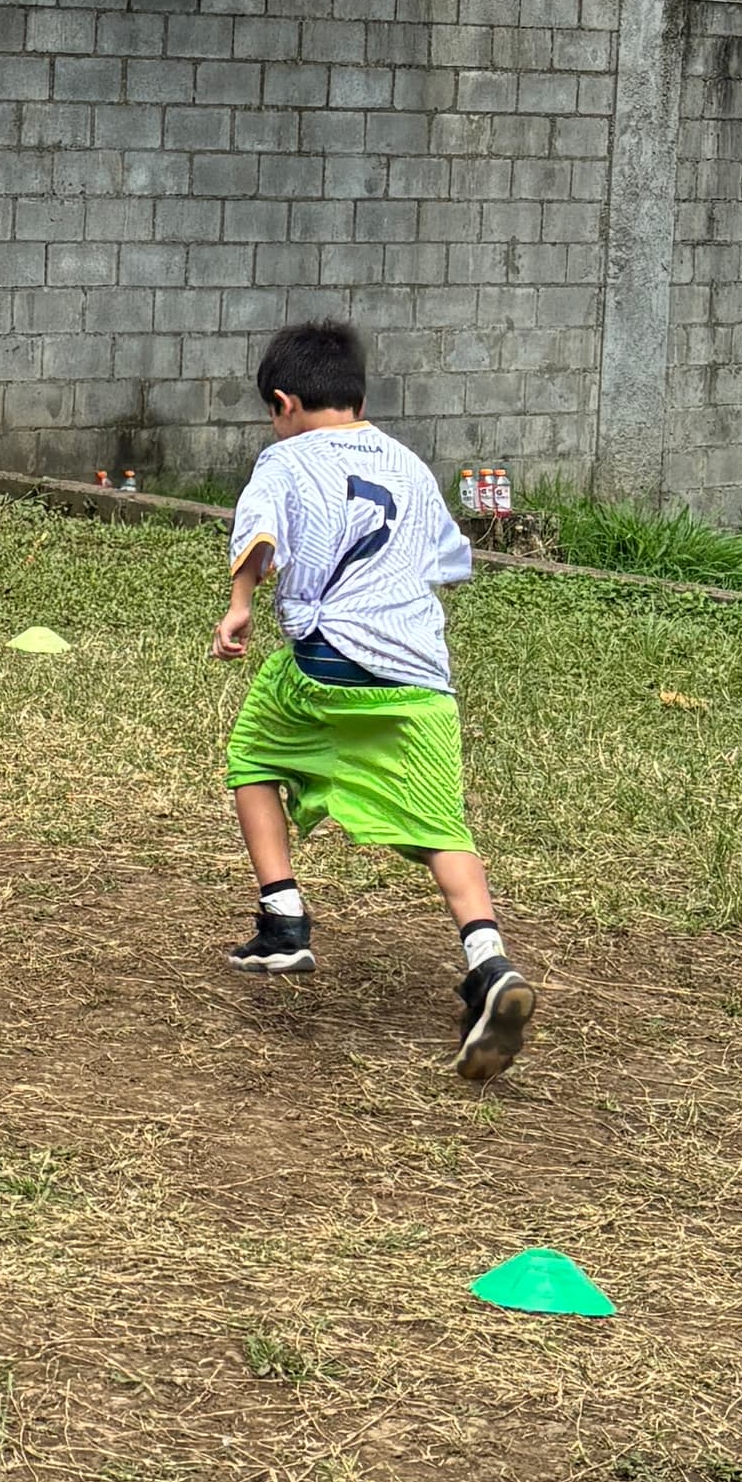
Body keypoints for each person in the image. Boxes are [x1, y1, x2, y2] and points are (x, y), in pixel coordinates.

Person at [208, 315, 532, 1079]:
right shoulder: (409, 465)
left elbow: (258, 536)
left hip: (329, 667)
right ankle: (489, 962)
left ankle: (283, 921)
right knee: (441, 828)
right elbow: (446, 559)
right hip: (422, 685)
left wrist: (241, 603)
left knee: (252, 754)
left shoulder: (283, 462)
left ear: (284, 402)